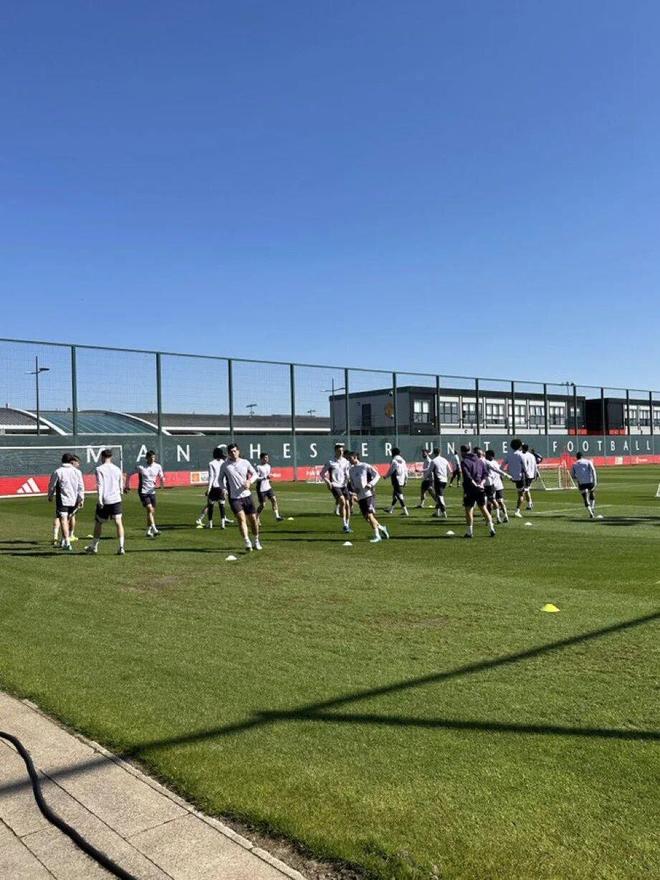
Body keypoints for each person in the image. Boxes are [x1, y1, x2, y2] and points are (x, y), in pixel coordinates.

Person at [220, 443, 261, 551]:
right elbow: (219, 480)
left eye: (235, 451)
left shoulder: (245, 462)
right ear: (228, 453)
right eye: (231, 452)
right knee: (241, 519)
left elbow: (255, 474)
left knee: (253, 520)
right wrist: (224, 489)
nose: (233, 453)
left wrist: (249, 481)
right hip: (234, 498)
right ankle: (247, 542)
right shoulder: (225, 465)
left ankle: (256, 540)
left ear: (238, 451)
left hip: (247, 496)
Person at [85, 449, 126, 555]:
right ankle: (121, 547)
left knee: (98, 522)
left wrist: (99, 499)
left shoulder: (99, 469)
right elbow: (121, 483)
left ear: (102, 457)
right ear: (111, 457)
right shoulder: (117, 468)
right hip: (116, 499)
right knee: (118, 522)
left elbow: (100, 484)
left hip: (105, 499)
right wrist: (120, 492)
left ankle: (94, 546)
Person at [347, 450, 390, 542]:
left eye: (350, 458)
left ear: (355, 457)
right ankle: (382, 528)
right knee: (367, 518)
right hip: (360, 496)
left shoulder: (365, 466)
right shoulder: (351, 470)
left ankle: (377, 536)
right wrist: (354, 489)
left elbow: (377, 475)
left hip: (368, 494)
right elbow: (352, 482)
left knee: (370, 515)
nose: (349, 460)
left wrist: (370, 484)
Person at [47, 452, 85, 551]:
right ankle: (64, 541)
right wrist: (81, 499)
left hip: (63, 499)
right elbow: (81, 487)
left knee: (63, 520)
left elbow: (52, 485)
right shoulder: (77, 472)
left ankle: (67, 542)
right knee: (67, 519)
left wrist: (50, 495)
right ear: (71, 461)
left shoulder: (58, 471)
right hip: (74, 500)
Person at [460, 445, 496, 538]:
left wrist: (475, 484)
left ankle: (469, 532)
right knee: (483, 508)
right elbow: (485, 474)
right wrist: (481, 484)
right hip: (480, 488)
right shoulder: (479, 460)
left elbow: (468, 476)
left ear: (463, 452)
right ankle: (491, 528)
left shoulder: (464, 461)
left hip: (470, 489)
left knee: (468, 509)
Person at [196, 447, 233, 529]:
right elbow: (225, 476)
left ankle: (209, 523)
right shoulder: (224, 463)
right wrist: (225, 488)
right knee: (222, 505)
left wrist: (208, 489)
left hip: (214, 487)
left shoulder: (211, 463)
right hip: (222, 487)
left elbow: (211, 477)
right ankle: (223, 523)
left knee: (210, 505)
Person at [132, 450, 165, 537]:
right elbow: (130, 473)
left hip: (152, 491)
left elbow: (161, 475)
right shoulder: (141, 467)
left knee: (151, 512)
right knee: (150, 509)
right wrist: (127, 484)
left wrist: (162, 480)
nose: (152, 459)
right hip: (143, 491)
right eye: (151, 457)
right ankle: (155, 529)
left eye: (153, 457)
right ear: (147, 458)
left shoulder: (158, 466)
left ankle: (148, 531)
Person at [320, 443, 352, 533]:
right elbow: (322, 473)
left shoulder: (346, 462)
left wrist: (349, 479)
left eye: (342, 450)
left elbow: (348, 472)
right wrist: (328, 482)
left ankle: (347, 524)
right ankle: (344, 525)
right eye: (339, 451)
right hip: (335, 485)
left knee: (348, 505)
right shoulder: (330, 462)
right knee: (342, 501)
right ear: (335, 451)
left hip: (344, 485)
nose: (341, 452)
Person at [484, 449, 511, 523]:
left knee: (490, 502)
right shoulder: (495, 462)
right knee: (499, 501)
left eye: (486, 455)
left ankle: (492, 517)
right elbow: (499, 472)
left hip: (493, 485)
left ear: (490, 456)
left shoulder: (487, 463)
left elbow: (495, 472)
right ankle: (505, 516)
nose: (485, 456)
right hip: (498, 484)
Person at [255, 452, 284, 522]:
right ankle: (256, 517)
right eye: (265, 458)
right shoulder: (258, 467)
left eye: (267, 457)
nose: (266, 459)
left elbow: (268, 476)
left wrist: (270, 476)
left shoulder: (268, 466)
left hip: (268, 487)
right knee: (262, 505)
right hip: (261, 488)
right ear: (261, 459)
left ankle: (277, 516)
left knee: (274, 499)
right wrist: (265, 477)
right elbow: (256, 478)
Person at [503, 438, 527, 518]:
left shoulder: (509, 455)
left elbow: (502, 466)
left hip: (511, 477)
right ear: (520, 446)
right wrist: (527, 475)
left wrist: (504, 474)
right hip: (519, 477)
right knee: (521, 495)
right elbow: (525, 467)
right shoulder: (521, 455)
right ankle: (517, 511)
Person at [571, 452, 598, 519]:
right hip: (590, 481)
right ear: (582, 456)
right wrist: (595, 481)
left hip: (581, 483)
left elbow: (572, 475)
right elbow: (593, 470)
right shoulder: (588, 461)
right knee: (592, 492)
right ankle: (592, 508)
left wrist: (578, 478)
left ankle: (591, 513)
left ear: (576, 457)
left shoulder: (574, 464)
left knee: (585, 498)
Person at [385, 447, 409, 515]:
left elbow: (391, 470)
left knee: (399, 495)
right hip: (401, 479)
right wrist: (406, 480)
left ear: (393, 453)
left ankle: (405, 511)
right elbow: (406, 471)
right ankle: (391, 509)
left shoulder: (393, 460)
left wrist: (386, 476)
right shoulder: (403, 460)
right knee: (395, 494)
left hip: (395, 479)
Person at [429, 447, 451, 518]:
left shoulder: (434, 461)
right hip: (444, 480)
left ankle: (444, 513)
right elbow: (450, 470)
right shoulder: (445, 460)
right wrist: (447, 477)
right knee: (439, 496)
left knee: (440, 497)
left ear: (434, 453)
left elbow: (429, 471)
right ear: (440, 452)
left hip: (438, 480)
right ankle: (437, 512)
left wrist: (426, 477)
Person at [521, 443, 538, 510]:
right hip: (531, 475)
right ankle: (530, 503)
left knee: (525, 490)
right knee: (526, 489)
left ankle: (529, 504)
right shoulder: (532, 455)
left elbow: (524, 466)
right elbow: (535, 465)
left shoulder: (524, 455)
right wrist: (535, 474)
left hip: (526, 475)